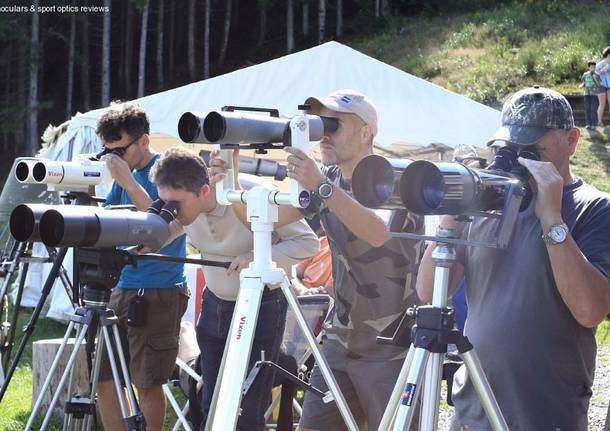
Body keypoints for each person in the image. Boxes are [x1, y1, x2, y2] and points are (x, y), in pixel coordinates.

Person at [215, 89, 424, 430]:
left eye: (333, 125)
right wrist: (231, 178)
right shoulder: (331, 181)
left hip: (391, 346)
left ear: (366, 131)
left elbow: (378, 233)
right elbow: (263, 220)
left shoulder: (393, 177)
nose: (323, 135)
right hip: (340, 341)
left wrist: (321, 186)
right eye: (318, 126)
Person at [416, 86, 610, 430]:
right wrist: (452, 212)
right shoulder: (486, 205)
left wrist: (552, 218)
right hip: (473, 408)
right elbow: (429, 290)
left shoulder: (594, 208)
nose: (519, 157)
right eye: (509, 147)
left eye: (532, 147)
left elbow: (590, 309)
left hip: (546, 413)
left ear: (572, 140)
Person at [149, 147, 319, 431]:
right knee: (212, 401)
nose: (171, 211)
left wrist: (258, 257)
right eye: (164, 202)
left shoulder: (253, 194)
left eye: (175, 204)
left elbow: (308, 243)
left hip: (262, 307)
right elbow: (157, 235)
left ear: (204, 190)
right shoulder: (184, 209)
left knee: (248, 407)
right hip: (215, 305)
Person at [95, 103, 189, 431]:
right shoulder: (127, 173)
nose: (114, 158)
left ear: (144, 141)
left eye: (119, 149)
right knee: (105, 380)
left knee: (147, 383)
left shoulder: (169, 172)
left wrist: (128, 182)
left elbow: (162, 227)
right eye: (108, 151)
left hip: (158, 288)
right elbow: (108, 217)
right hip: (123, 283)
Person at [581, 60, 600, 129]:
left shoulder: (597, 74)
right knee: (587, 108)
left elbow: (598, 85)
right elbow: (583, 82)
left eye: (594, 67)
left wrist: (593, 76)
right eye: (591, 67)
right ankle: (588, 124)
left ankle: (593, 124)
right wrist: (582, 85)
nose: (593, 68)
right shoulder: (585, 74)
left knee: (593, 109)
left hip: (594, 94)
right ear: (588, 67)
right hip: (586, 93)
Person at [596, 46, 610, 127]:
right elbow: (595, 74)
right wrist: (602, 71)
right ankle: (599, 121)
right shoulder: (600, 64)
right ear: (608, 54)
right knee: (602, 104)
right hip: (601, 85)